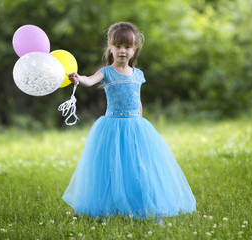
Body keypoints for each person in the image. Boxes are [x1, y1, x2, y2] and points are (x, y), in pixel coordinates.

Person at [63, 22, 196, 219]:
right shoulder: (106, 72)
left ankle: (140, 205)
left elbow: (138, 101)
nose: (122, 51)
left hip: (136, 126)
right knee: (111, 166)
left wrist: (139, 124)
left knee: (139, 167)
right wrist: (78, 78)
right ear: (110, 48)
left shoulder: (139, 74)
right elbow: (89, 80)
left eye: (127, 47)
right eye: (117, 46)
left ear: (134, 50)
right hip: (113, 126)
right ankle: (108, 205)